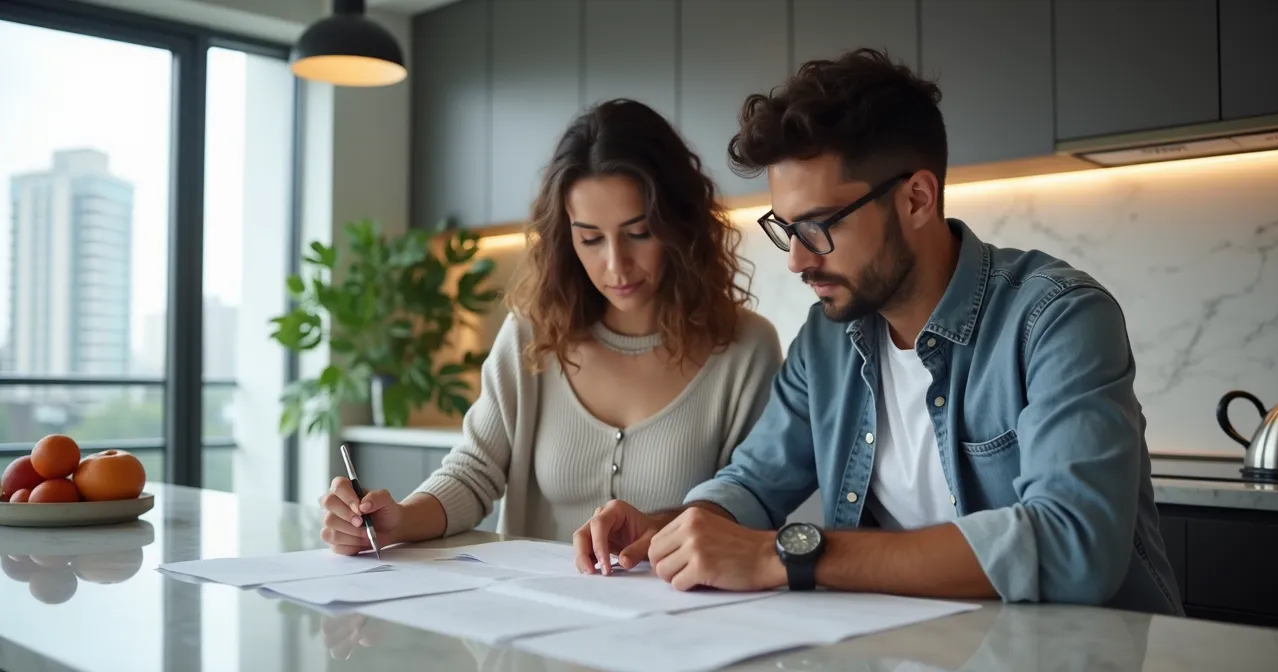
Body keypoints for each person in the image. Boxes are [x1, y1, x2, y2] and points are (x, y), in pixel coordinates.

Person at [572, 49, 1183, 617]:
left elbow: (1075, 546)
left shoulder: (1056, 317)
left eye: (817, 227)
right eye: (786, 229)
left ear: (917, 199)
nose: (797, 260)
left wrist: (785, 557)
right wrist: (675, 525)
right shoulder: (827, 340)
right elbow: (753, 483)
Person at [318, 99, 783, 551]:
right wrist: (399, 519)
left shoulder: (745, 349)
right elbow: (473, 471)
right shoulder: (532, 336)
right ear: (566, 238)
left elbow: (748, 503)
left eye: (639, 233)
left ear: (679, 223)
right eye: (591, 239)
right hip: (532, 619)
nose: (616, 265)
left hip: (681, 621)